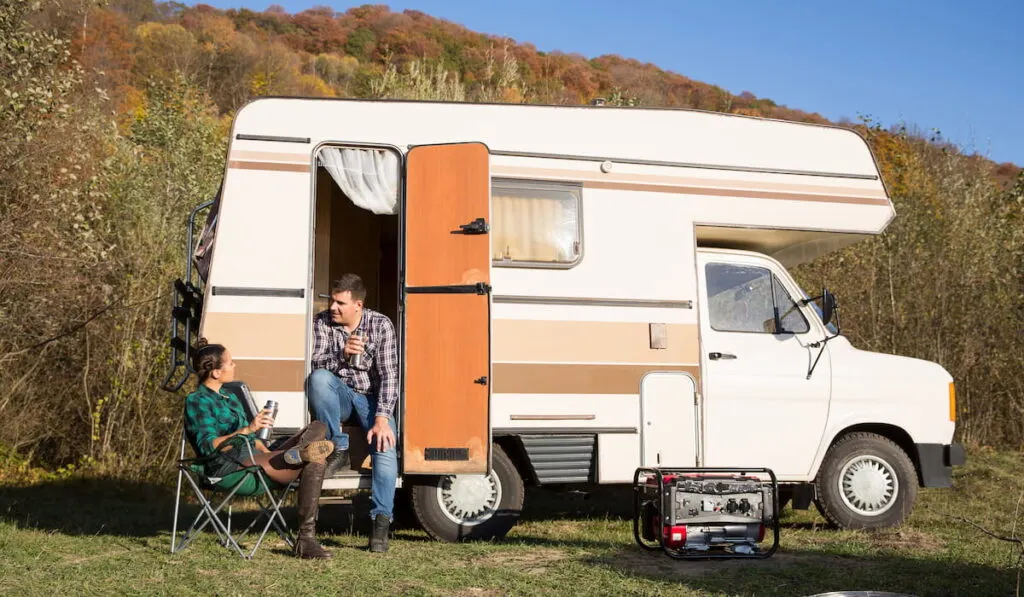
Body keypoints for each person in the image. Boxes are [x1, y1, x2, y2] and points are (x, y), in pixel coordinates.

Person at [184, 339, 335, 559]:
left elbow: (253, 440)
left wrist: (258, 437)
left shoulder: (231, 397)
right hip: (228, 467)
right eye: (230, 362)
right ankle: (305, 539)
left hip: (256, 457)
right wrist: (247, 429)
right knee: (317, 460)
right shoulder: (197, 401)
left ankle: (298, 453)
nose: (234, 365)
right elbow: (209, 446)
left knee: (318, 426)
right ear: (216, 372)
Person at [306, 273, 399, 553]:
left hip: (372, 399)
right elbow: (314, 363)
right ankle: (339, 446)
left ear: (358, 305)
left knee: (385, 445)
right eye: (332, 301)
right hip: (341, 394)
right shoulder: (322, 323)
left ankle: (380, 523)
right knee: (319, 379)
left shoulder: (380, 325)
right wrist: (342, 355)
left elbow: (389, 375)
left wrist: (382, 418)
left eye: (340, 303)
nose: (333, 307)